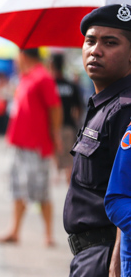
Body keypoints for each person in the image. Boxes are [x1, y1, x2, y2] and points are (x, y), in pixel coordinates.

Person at [64, 4, 131, 277]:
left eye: (111, 42)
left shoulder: (126, 107)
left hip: (109, 260)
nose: (96, 50)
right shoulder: (105, 104)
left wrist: (117, 269)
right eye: (90, 40)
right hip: (92, 259)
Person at [0, 48, 61, 247]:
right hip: (18, 142)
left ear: (23, 55)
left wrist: (55, 136)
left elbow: (55, 108)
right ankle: (14, 230)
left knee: (40, 191)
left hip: (36, 144)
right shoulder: (25, 77)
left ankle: (48, 234)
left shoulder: (43, 77)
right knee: (17, 188)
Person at [50, 53, 84, 184]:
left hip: (53, 125)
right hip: (68, 123)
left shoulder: (49, 84)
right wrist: (75, 120)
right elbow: (79, 106)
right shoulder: (71, 85)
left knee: (56, 150)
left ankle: (58, 174)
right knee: (68, 150)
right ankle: (67, 175)